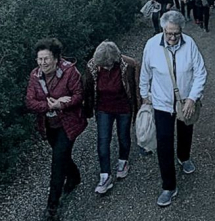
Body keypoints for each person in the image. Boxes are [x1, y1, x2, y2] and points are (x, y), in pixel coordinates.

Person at [139, 11, 207, 207]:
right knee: (164, 143)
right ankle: (169, 186)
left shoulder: (190, 44)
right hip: (161, 104)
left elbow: (200, 72)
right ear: (163, 30)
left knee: (186, 132)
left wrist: (192, 99)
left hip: (186, 101)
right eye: (168, 33)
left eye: (176, 34)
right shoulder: (151, 45)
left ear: (181, 31)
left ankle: (184, 157)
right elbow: (145, 72)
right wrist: (145, 96)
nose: (172, 38)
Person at [26, 38, 87, 221]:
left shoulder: (69, 72)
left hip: (68, 123)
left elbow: (78, 95)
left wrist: (63, 104)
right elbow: (29, 102)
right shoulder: (35, 76)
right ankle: (75, 176)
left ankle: (52, 207)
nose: (42, 63)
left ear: (56, 59)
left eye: (46, 59)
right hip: (48, 125)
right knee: (61, 155)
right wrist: (50, 106)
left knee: (57, 161)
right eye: (39, 59)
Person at [84, 41, 141, 195]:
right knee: (103, 140)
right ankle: (105, 176)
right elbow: (87, 90)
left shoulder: (128, 65)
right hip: (103, 108)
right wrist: (86, 109)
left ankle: (123, 161)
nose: (106, 68)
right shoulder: (92, 66)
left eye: (109, 65)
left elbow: (136, 88)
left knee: (123, 136)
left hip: (124, 107)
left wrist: (140, 107)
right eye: (104, 65)